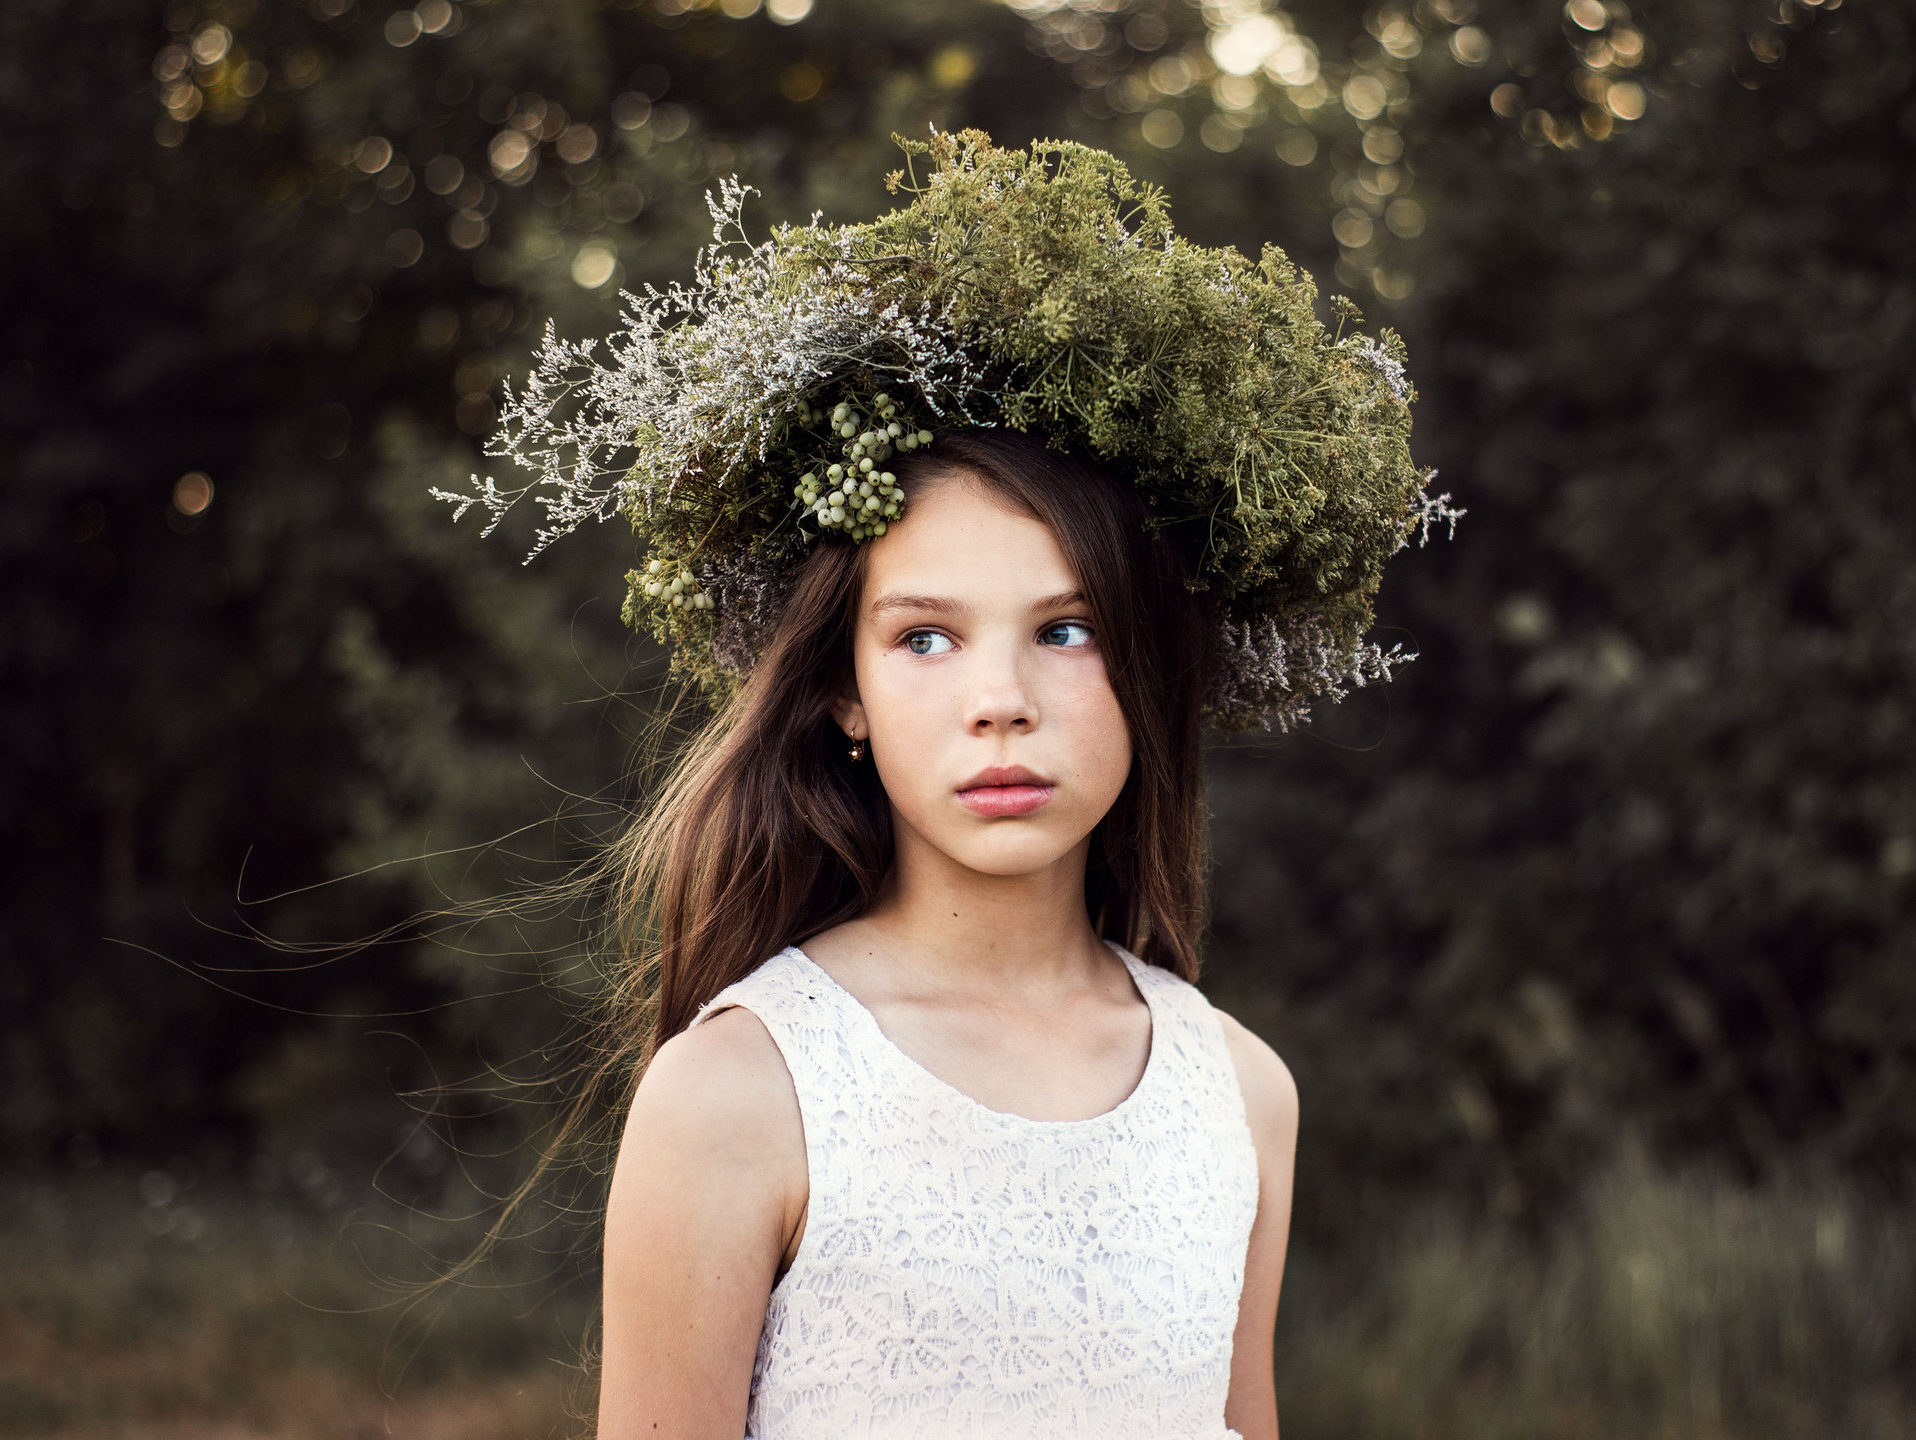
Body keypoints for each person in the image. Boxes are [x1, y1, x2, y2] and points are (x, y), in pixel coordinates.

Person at [460, 131, 1448, 1440]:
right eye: (926, 636)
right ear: (844, 693)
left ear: (1152, 671)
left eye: (1069, 628)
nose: (1002, 698)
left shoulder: (1243, 1094)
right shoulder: (739, 1096)